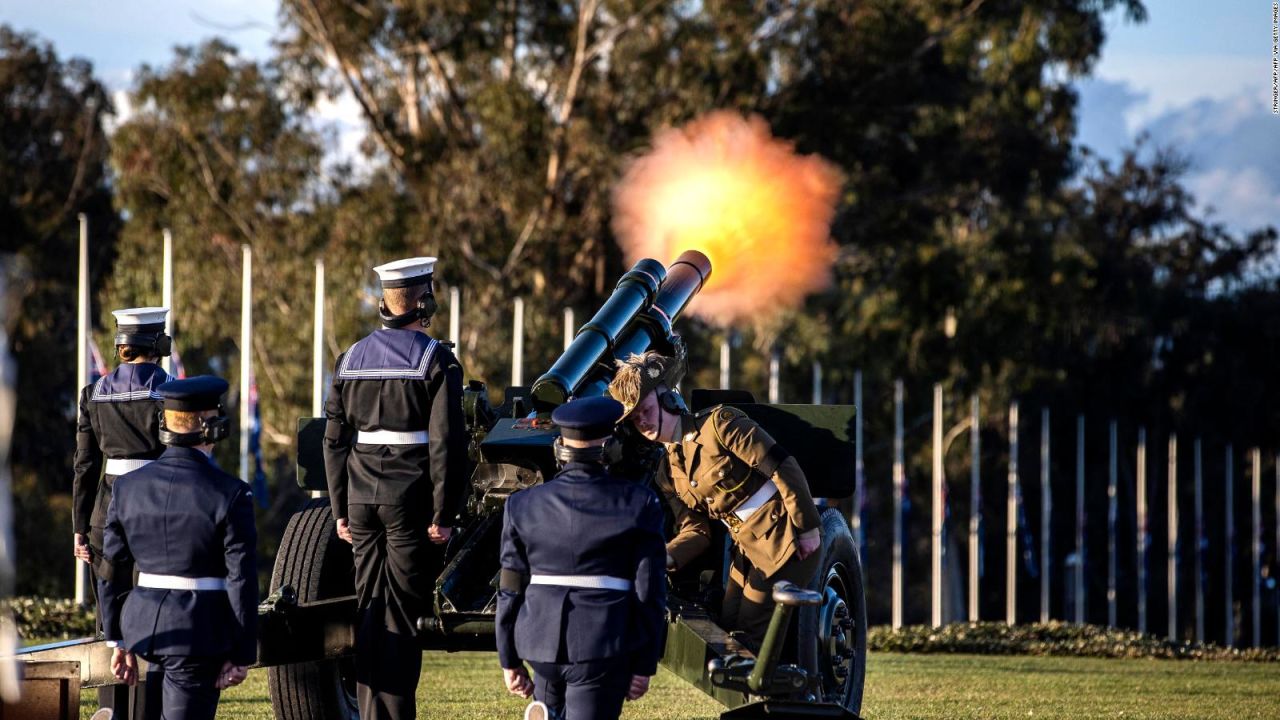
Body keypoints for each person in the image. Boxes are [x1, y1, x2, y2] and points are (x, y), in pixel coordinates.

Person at [323, 256, 468, 720]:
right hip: (410, 502)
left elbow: (333, 441)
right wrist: (444, 515)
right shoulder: (436, 359)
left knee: (370, 609)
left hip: (361, 500)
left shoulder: (350, 358)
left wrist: (339, 508)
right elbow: (448, 443)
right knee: (402, 616)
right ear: (423, 301)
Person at [608, 351, 823, 651]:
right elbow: (696, 532)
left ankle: (789, 693)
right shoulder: (667, 471)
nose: (642, 421)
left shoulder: (719, 425)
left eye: (644, 409)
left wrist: (807, 528)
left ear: (666, 399)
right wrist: (661, 557)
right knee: (726, 625)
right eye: (634, 418)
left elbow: (782, 466)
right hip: (746, 549)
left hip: (782, 538)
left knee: (748, 635)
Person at [497, 396, 666, 720]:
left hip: (540, 645)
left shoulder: (521, 505)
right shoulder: (639, 503)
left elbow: (510, 587)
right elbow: (650, 591)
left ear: (559, 447)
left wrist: (509, 659)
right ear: (611, 447)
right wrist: (644, 663)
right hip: (602, 646)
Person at [100, 375, 258, 720]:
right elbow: (241, 579)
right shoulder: (231, 493)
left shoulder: (127, 488)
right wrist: (244, 651)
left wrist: (116, 638)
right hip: (197, 634)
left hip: (143, 627)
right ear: (210, 426)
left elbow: (112, 567)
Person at [72, 307, 172, 714]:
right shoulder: (170, 390)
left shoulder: (93, 394)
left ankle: (112, 709)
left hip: (104, 513)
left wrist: (79, 529)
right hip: (156, 511)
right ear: (157, 343)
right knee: (155, 615)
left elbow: (84, 466)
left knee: (109, 618)